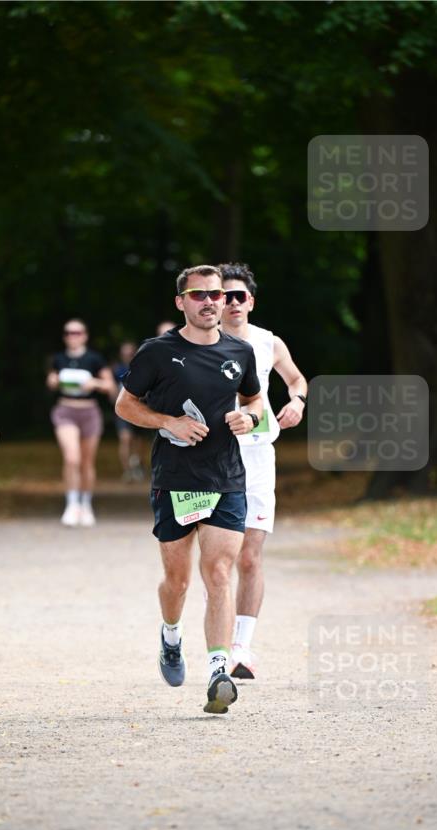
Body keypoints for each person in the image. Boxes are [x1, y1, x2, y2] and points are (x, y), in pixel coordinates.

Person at [116, 265, 263, 714]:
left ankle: (219, 670)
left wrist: (249, 417)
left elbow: (254, 399)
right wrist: (168, 422)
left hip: (226, 478)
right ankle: (171, 634)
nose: (211, 302)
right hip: (175, 480)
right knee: (177, 581)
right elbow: (125, 405)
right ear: (181, 302)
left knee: (219, 572)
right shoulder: (158, 352)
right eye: (199, 294)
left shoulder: (240, 351)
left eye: (217, 294)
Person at [219, 262, 307, 679]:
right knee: (219, 559)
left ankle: (242, 648)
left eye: (240, 296)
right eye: (225, 296)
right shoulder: (201, 343)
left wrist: (297, 402)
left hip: (257, 457)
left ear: (251, 301)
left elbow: (297, 380)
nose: (233, 303)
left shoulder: (269, 342)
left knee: (250, 557)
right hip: (215, 457)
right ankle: (214, 644)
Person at [47, 319, 115, 526]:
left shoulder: (95, 359)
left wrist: (94, 383)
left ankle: (86, 504)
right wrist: (54, 381)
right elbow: (51, 381)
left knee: (86, 462)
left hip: (89, 412)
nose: (72, 336)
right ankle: (72, 504)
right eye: (68, 333)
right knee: (72, 458)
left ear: (85, 335)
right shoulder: (58, 358)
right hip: (65, 410)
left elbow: (110, 386)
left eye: (77, 332)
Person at [111, 341, 144, 482]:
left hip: (139, 409)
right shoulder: (116, 370)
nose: (127, 356)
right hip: (122, 410)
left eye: (130, 353)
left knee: (138, 441)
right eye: (124, 353)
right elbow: (112, 388)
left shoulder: (141, 368)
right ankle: (127, 470)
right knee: (125, 439)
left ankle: (136, 465)